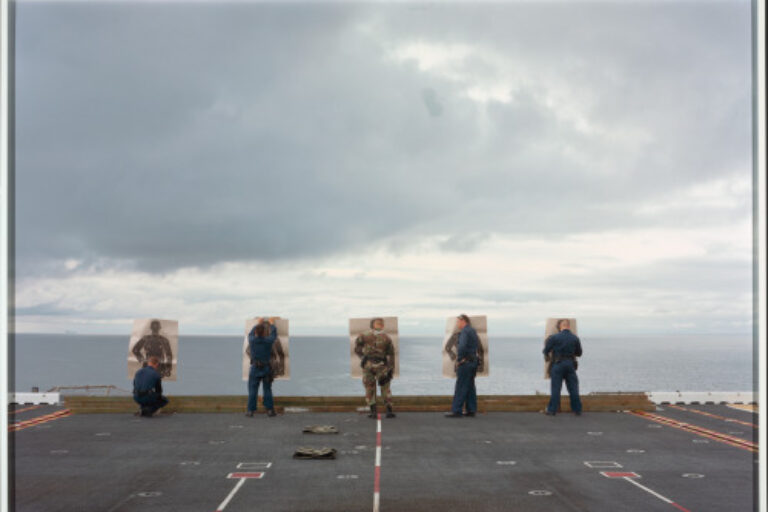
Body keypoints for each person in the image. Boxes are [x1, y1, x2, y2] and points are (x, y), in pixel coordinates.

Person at [354, 317, 396, 419]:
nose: (381, 325)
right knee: (385, 388)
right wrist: (391, 370)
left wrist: (362, 357)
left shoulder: (364, 335)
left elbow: (357, 348)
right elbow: (391, 355)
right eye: (380, 324)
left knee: (369, 388)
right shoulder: (387, 338)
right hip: (381, 365)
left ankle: (373, 412)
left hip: (368, 364)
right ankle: (389, 411)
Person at [542, 319, 583, 416]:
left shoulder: (554, 338)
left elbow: (545, 351)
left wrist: (549, 356)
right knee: (573, 388)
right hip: (570, 364)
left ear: (560, 327)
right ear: (568, 326)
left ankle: (552, 410)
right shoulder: (575, 338)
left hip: (558, 364)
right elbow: (579, 353)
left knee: (556, 388)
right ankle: (577, 410)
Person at [445, 314, 480, 418]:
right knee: (470, 386)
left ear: (463, 321)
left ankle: (456, 410)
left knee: (461, 386)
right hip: (473, 361)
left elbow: (462, 346)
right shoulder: (473, 331)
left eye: (458, 321)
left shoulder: (464, 332)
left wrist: (459, 360)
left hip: (466, 362)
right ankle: (471, 409)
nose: (457, 323)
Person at [246, 317, 279, 417]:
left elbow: (250, 334)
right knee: (267, 389)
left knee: (253, 390)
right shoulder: (268, 341)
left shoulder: (252, 340)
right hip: (266, 368)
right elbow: (274, 334)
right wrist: (272, 323)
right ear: (265, 333)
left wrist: (258, 323)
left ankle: (250, 411)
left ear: (256, 332)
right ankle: (269, 410)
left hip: (255, 368)